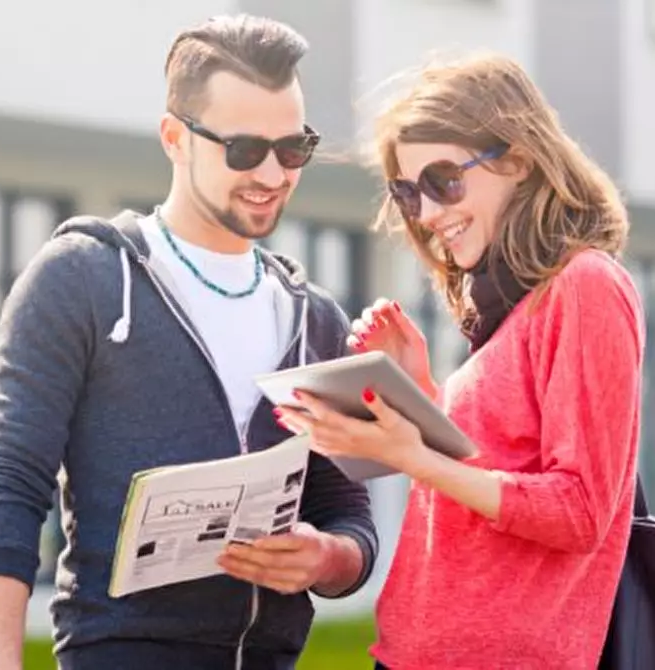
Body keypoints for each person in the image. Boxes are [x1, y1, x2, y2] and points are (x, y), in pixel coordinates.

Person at [0, 14, 378, 670]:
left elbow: (346, 510)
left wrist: (327, 557)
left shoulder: (316, 320)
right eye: (243, 150)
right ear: (174, 139)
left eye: (292, 148)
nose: (272, 173)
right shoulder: (84, 279)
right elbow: (8, 486)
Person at [275, 53, 645, 669]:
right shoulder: (510, 313)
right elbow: (497, 471)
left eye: (443, 180)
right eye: (407, 192)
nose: (426, 212)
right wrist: (422, 397)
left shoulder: (587, 286)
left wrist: (409, 452)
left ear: (518, 158)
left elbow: (579, 511)